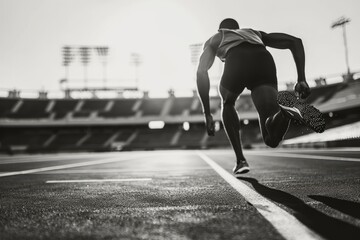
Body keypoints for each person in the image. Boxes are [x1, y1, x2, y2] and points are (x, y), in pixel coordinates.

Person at [196, 18, 325, 176]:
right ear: (238, 28)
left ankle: (240, 160)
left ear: (220, 29)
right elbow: (295, 42)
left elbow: (201, 71)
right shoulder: (254, 33)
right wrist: (301, 79)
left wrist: (207, 113)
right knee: (271, 138)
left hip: (236, 59)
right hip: (263, 59)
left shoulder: (217, 37)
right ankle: (284, 112)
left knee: (228, 103)